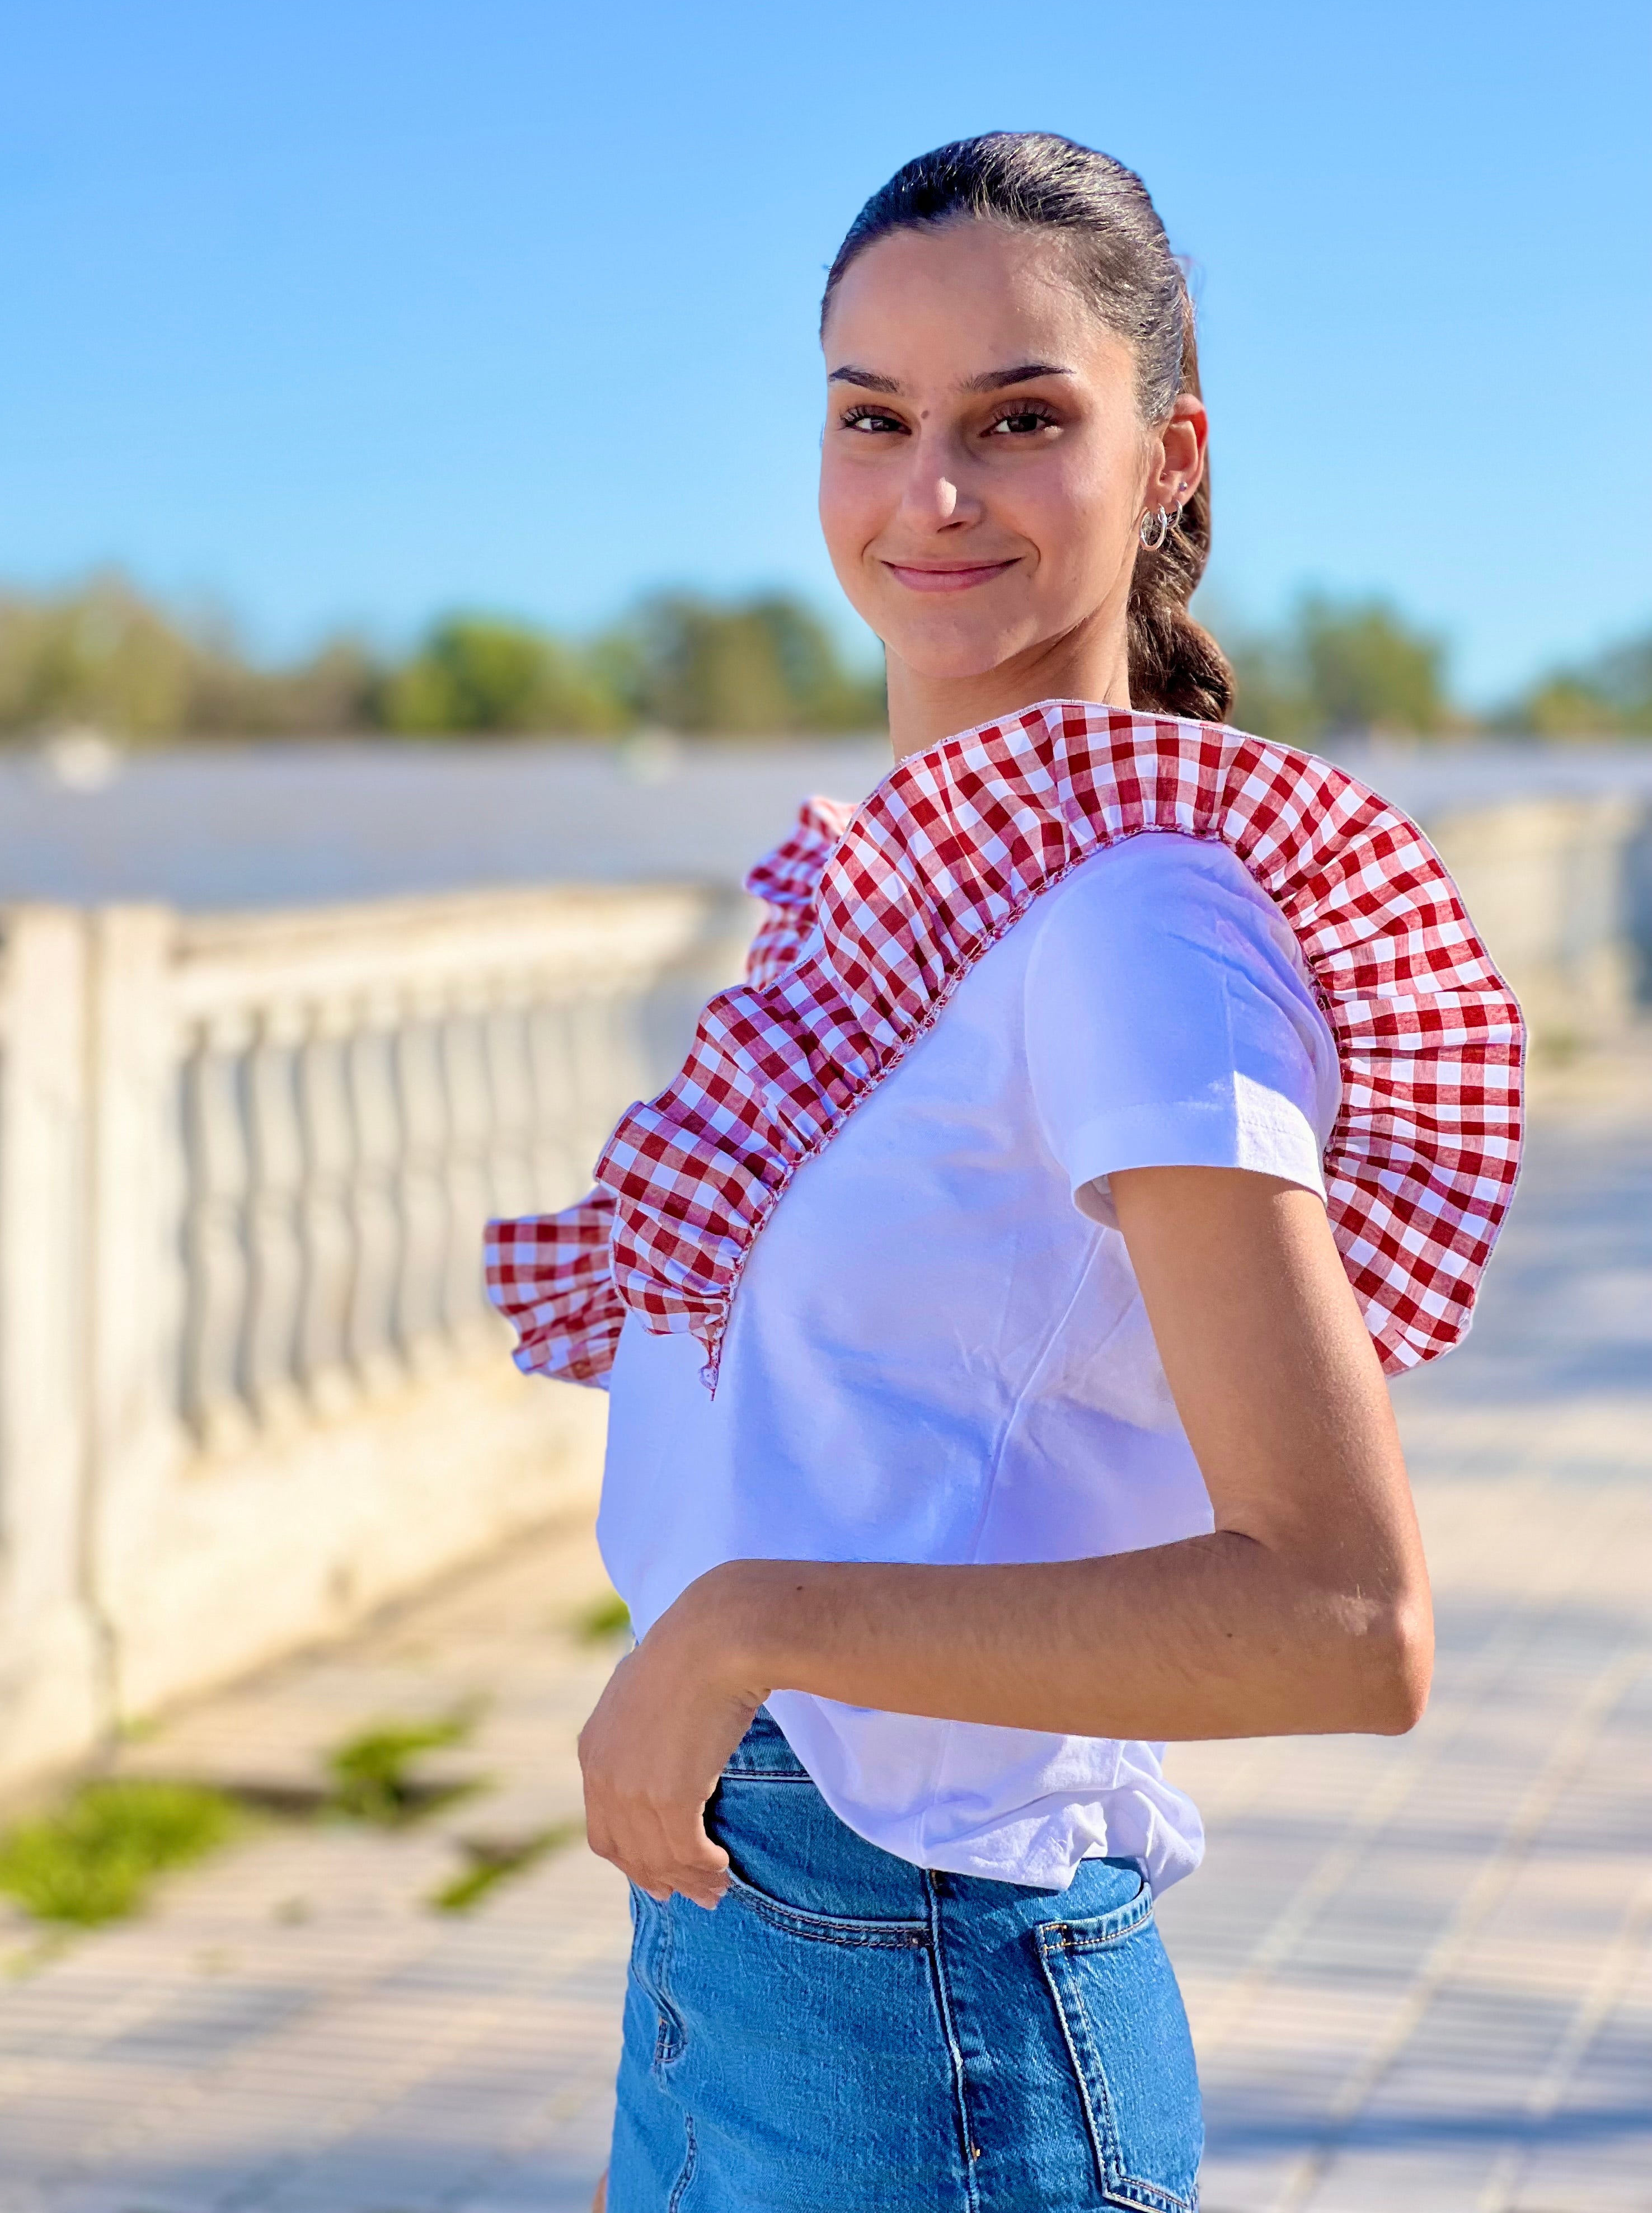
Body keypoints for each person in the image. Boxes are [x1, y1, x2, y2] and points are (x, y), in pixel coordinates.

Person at [486, 133, 1523, 2213]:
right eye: (874, 418)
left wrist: (738, 1632)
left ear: (1171, 458)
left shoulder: (1132, 931)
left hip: (929, 2016)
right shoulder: (905, 904)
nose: (928, 492)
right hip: (743, 1957)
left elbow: (1346, 1618)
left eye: (1021, 421)